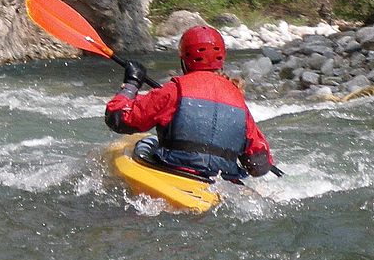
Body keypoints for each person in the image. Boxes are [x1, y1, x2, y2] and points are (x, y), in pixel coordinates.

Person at [102, 25, 275, 182]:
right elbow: (260, 165)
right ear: (221, 59)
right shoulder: (238, 100)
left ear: (184, 59)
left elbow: (118, 118)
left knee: (145, 143)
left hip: (175, 173)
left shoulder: (174, 91)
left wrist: (132, 83)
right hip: (219, 183)